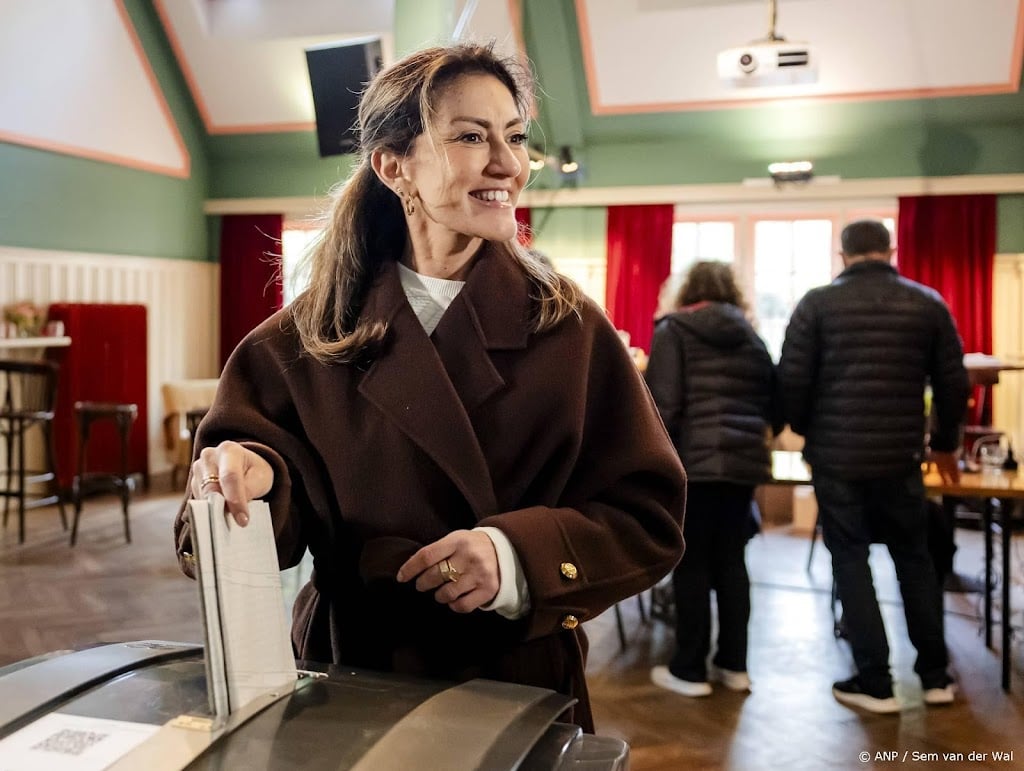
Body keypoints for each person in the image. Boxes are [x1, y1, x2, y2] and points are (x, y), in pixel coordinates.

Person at [173, 43, 686, 732]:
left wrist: (513, 559)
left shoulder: (571, 329)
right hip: (348, 681)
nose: (508, 163)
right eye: (472, 136)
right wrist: (251, 477)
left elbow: (647, 518)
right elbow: (228, 526)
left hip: (514, 688)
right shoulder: (300, 340)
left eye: (514, 136)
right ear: (393, 166)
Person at [777, 219, 969, 713]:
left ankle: (875, 682)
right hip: (902, 457)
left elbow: (792, 382)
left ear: (842, 256)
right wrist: (945, 444)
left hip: (836, 457)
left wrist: (806, 429)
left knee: (850, 560)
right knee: (915, 561)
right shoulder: (927, 303)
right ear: (891, 250)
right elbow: (953, 384)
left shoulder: (816, 304)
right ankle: (935, 678)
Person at [644, 261, 781, 697]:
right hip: (743, 467)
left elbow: (663, 406)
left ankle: (689, 669)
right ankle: (734, 665)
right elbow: (775, 402)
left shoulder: (673, 331)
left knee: (692, 563)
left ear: (685, 290)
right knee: (731, 562)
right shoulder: (752, 337)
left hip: (693, 465)